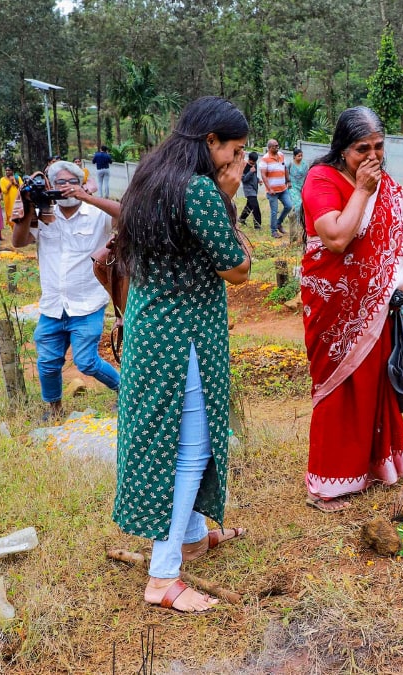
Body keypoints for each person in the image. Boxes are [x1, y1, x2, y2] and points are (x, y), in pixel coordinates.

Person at [110, 96, 252, 613]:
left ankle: (192, 536)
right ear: (210, 142)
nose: (237, 161)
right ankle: (163, 577)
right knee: (190, 447)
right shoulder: (200, 190)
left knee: (167, 434)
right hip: (185, 336)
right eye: (234, 151)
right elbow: (237, 268)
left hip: (152, 326)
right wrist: (228, 198)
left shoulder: (151, 178)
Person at [300, 106, 403, 513]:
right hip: (333, 304)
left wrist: (392, 282)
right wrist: (363, 190)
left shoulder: (381, 181)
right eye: (361, 149)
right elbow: (334, 238)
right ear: (342, 148)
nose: (372, 156)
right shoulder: (322, 179)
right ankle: (327, 482)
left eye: (379, 146)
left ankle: (372, 465)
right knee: (338, 387)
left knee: (373, 380)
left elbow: (395, 229)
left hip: (374, 302)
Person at [11, 160, 122, 420]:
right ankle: (54, 410)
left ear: (82, 184)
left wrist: (88, 198)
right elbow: (18, 242)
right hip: (52, 305)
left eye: (73, 182)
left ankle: (125, 390)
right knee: (47, 363)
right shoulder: (45, 215)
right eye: (60, 183)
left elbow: (127, 213)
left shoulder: (97, 215)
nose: (67, 188)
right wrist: (28, 207)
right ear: (51, 186)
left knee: (86, 361)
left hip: (87, 303)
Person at [259, 139, 292, 238]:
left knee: (289, 206)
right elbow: (263, 175)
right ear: (269, 148)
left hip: (283, 188)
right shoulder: (264, 159)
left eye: (278, 145)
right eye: (275, 146)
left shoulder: (281, 155)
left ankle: (278, 223)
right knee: (274, 211)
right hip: (272, 191)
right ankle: (273, 231)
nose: (277, 147)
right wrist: (269, 188)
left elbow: (285, 168)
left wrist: (288, 180)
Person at [238, 151, 262, 228]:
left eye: (254, 162)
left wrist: (258, 180)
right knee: (255, 207)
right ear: (249, 159)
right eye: (252, 161)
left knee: (249, 206)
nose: (253, 163)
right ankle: (257, 225)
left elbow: (254, 176)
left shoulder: (255, 165)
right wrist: (250, 172)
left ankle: (242, 219)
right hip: (248, 190)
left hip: (254, 189)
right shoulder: (244, 166)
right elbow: (244, 179)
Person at [287, 148, 309, 235]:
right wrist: (288, 181)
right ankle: (298, 222)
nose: (300, 157)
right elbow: (286, 172)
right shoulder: (290, 164)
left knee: (304, 204)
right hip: (293, 187)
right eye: (298, 156)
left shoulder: (305, 164)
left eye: (301, 156)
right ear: (294, 156)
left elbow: (307, 174)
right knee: (298, 204)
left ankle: (303, 222)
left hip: (302, 186)